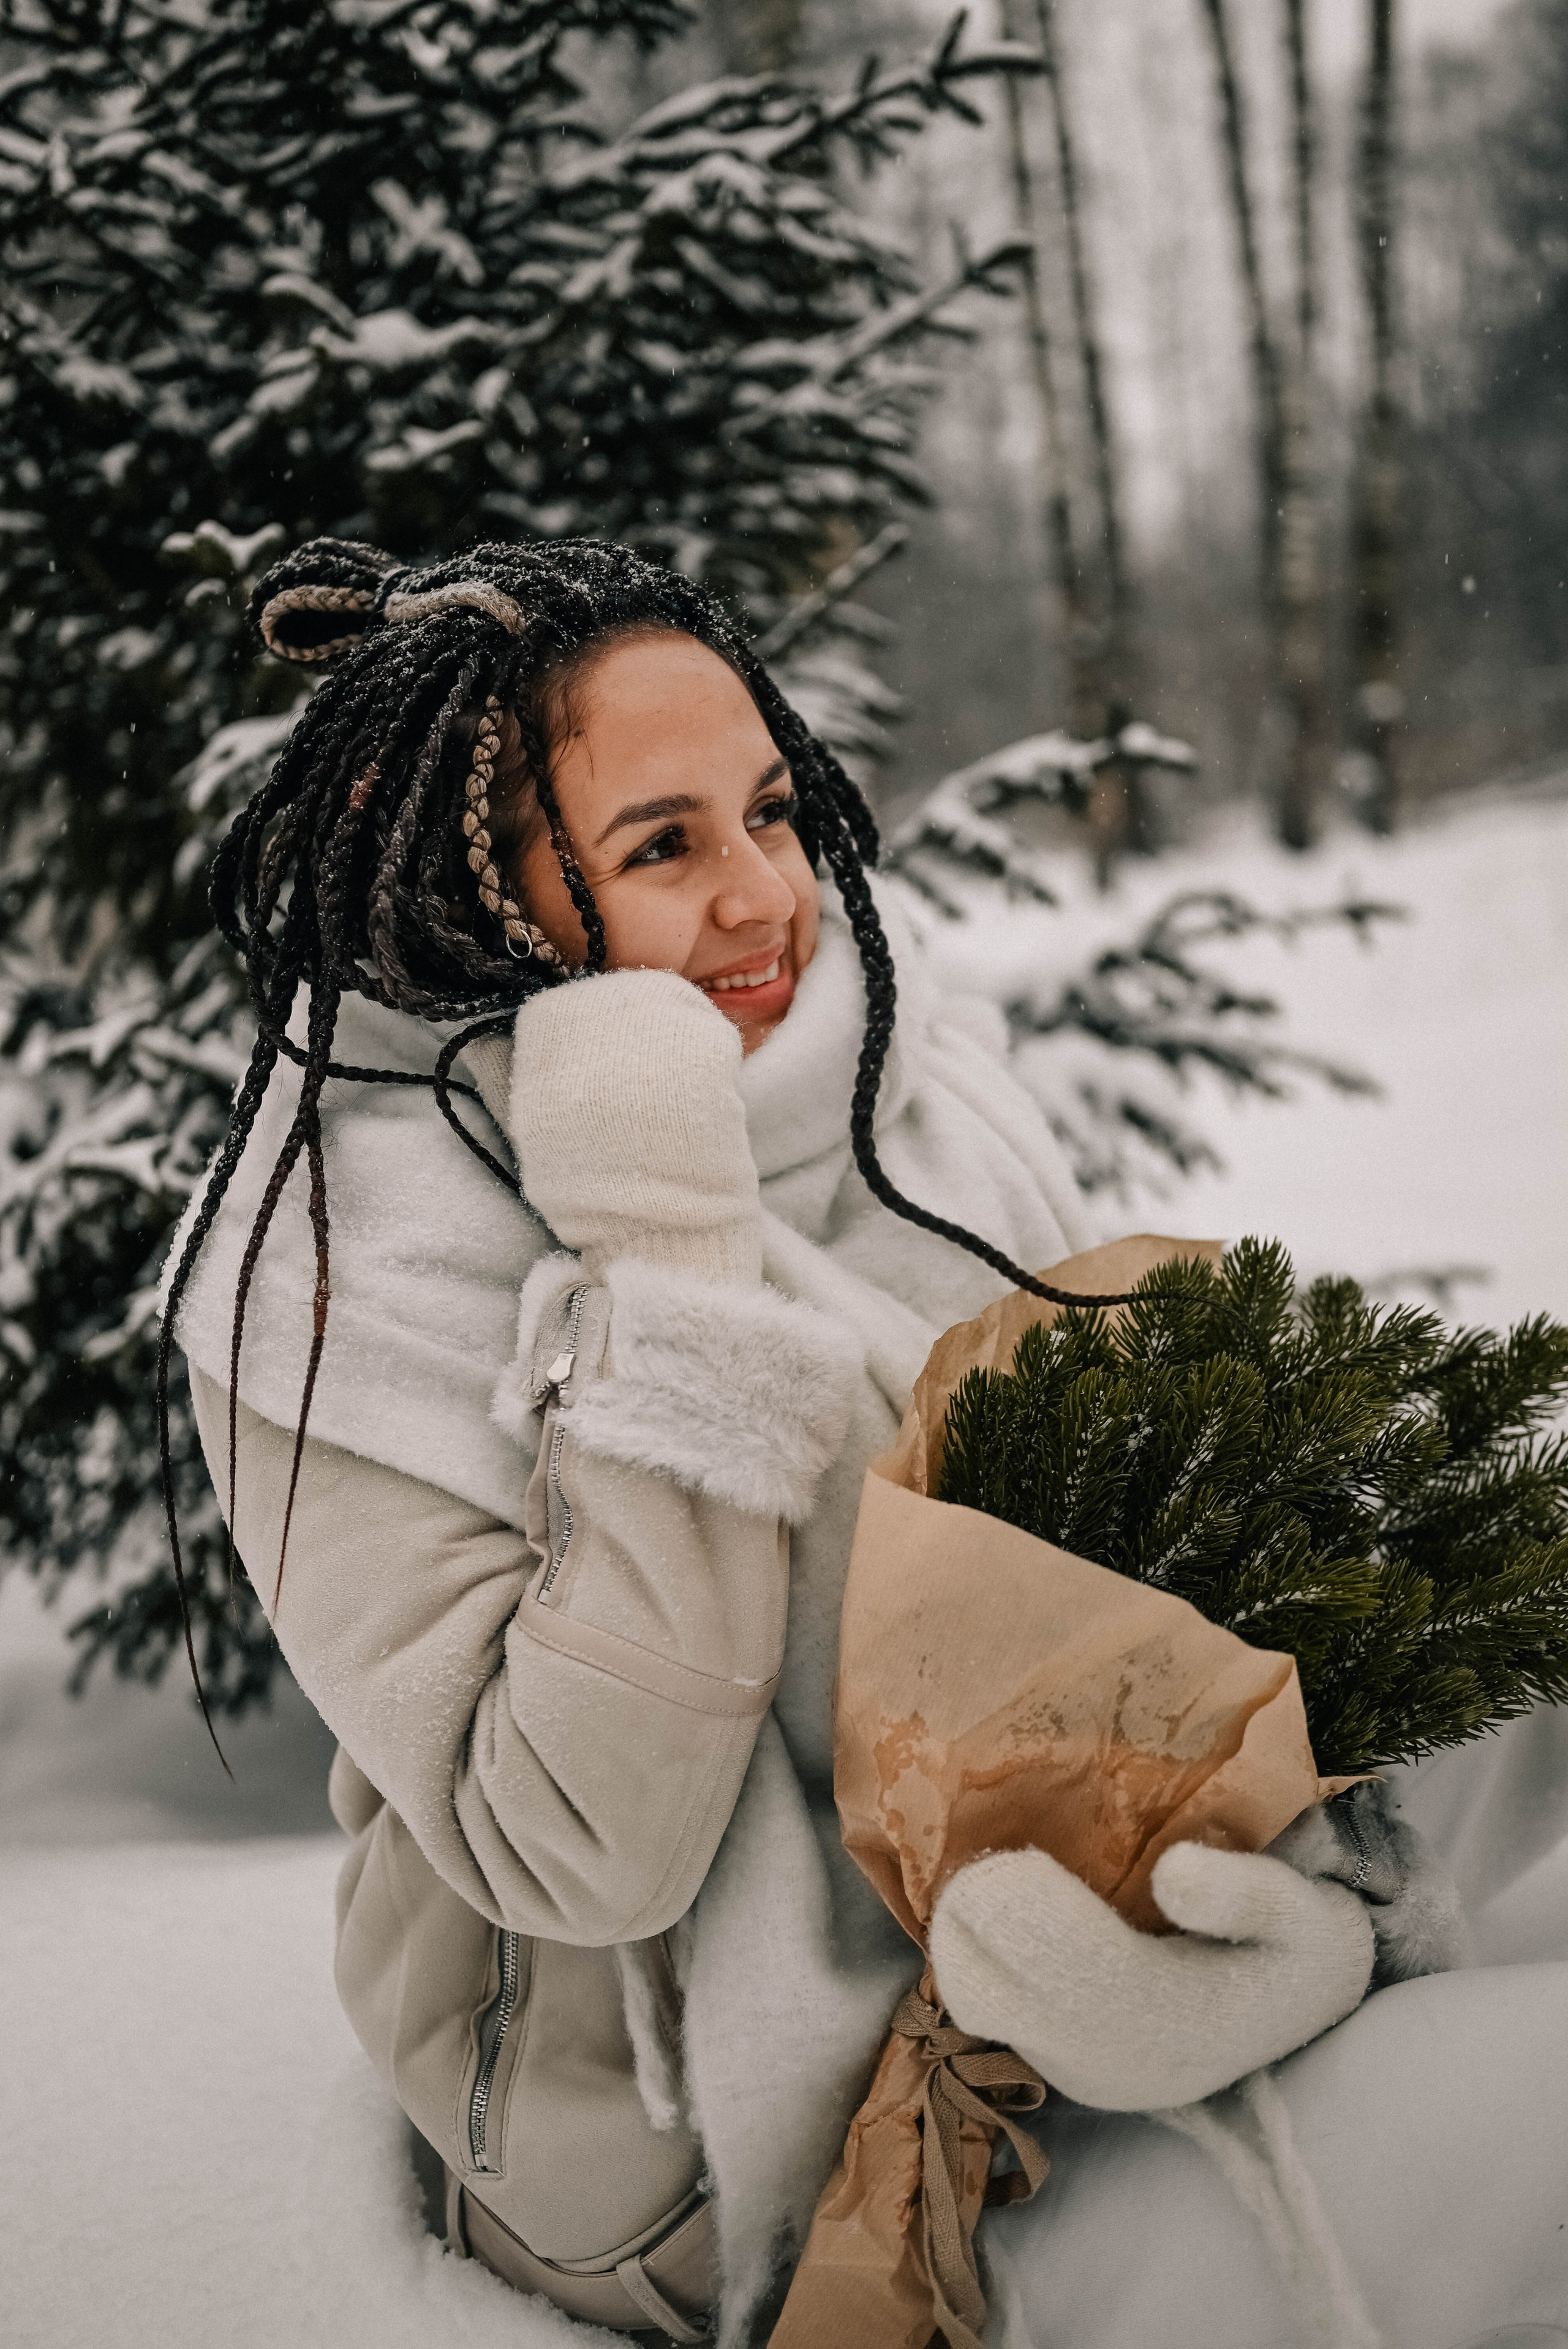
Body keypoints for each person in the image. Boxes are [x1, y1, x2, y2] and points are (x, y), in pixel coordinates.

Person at [169, 535, 1463, 2345]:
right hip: (669, 2137)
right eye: (660, 845)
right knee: (1473, 2198)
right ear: (473, 883)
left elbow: (1108, 1526)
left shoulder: (889, 1064)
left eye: (770, 809)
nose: (767, 895)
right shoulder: (338, 1272)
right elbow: (584, 1846)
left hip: (1077, 1921)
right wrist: (660, 1243)